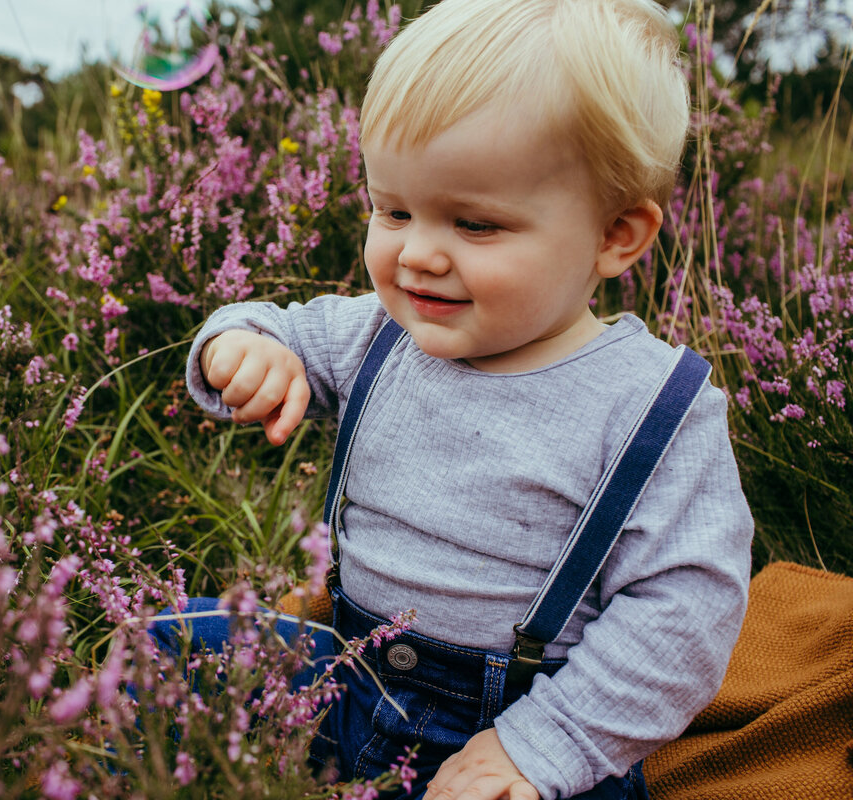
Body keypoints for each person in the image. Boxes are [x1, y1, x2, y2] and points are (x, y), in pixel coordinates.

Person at [160, 1, 755, 797]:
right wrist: (241, 349)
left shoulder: (653, 406)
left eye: (474, 224)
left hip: (514, 728)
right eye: (392, 210)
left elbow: (685, 617)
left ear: (617, 235)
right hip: (346, 672)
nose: (417, 254)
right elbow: (269, 324)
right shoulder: (378, 335)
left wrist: (542, 749)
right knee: (164, 645)